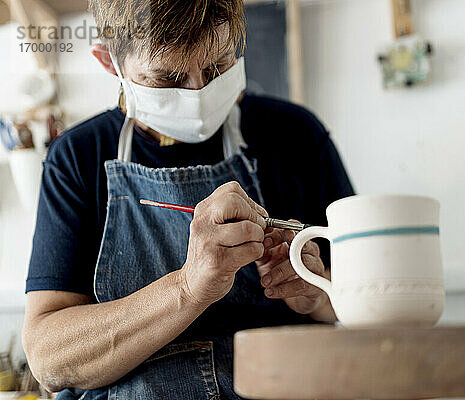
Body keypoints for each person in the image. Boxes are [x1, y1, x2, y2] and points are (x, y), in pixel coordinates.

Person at [21, 0, 354, 399]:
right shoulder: (78, 157)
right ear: (110, 63)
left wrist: (318, 295)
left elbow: (375, 300)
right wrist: (187, 289)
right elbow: (49, 359)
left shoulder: (296, 136)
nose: (198, 94)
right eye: (168, 79)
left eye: (217, 68)